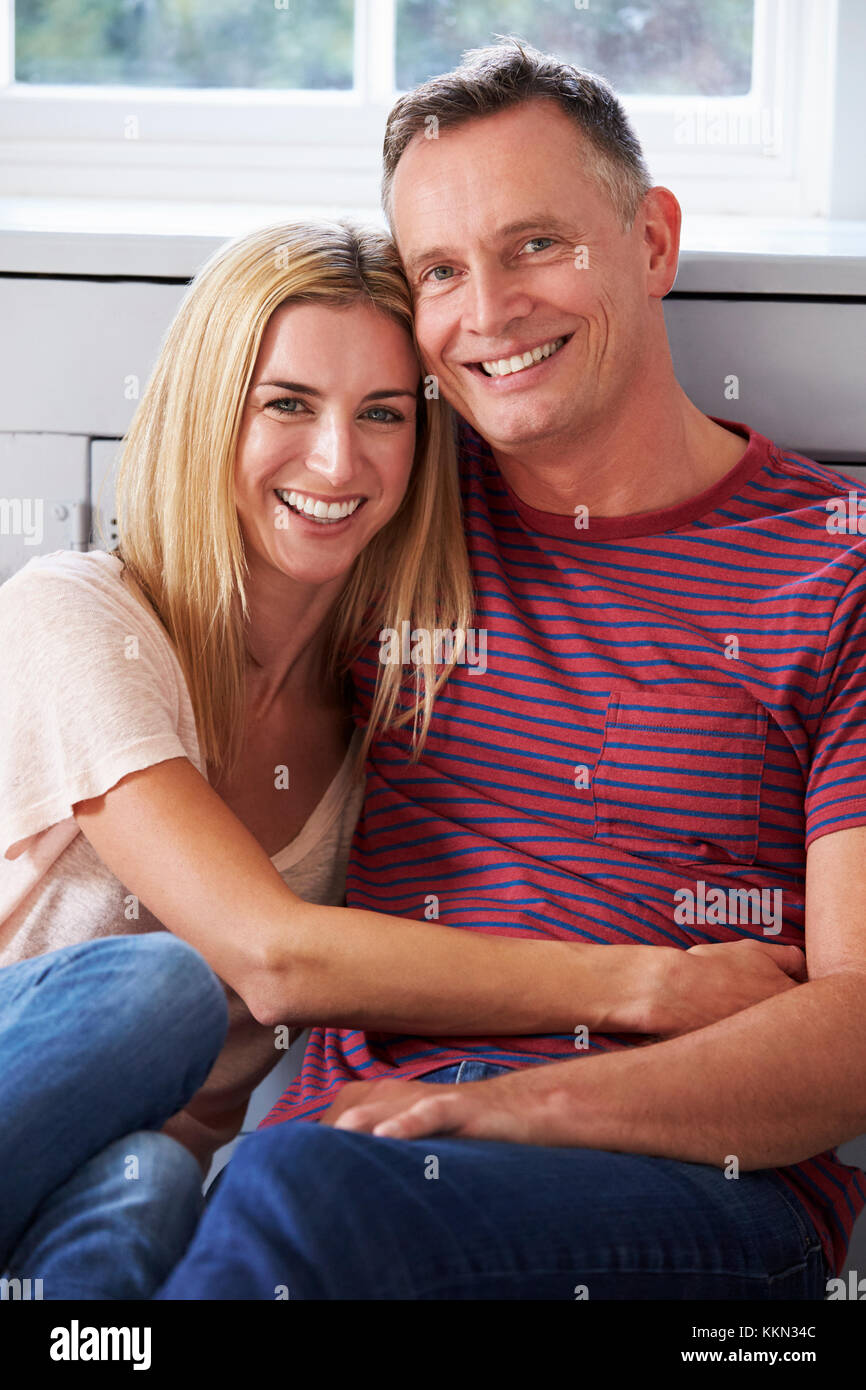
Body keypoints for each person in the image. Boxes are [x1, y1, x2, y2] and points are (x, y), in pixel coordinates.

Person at [156, 41, 866, 1302]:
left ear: (649, 242)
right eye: (439, 270)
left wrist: (509, 1112)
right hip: (349, 1150)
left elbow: (856, 1028)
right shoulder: (393, 504)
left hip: (691, 1184)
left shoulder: (833, 571)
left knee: (290, 1198)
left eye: (536, 245)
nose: (486, 312)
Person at [1, 217, 786, 1300]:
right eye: (286, 403)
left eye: (380, 414)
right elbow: (270, 956)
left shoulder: (388, 700)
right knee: (161, 991)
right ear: (203, 411)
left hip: (141, 1177)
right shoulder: (78, 613)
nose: (336, 459)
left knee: (147, 1184)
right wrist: (652, 983)